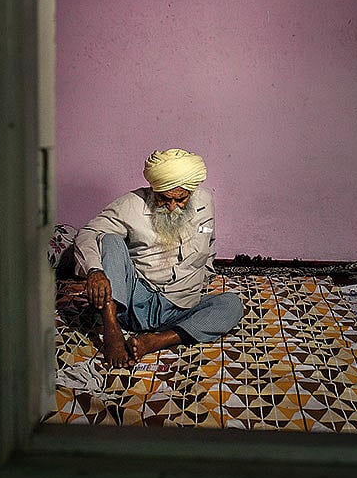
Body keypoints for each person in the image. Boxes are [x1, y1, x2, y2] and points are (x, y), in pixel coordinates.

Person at [73, 149, 243, 368]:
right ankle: (111, 326)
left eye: (180, 199)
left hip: (180, 307)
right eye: (163, 198)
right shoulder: (131, 205)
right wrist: (94, 271)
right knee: (110, 240)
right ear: (154, 189)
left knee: (232, 305)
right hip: (133, 300)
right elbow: (88, 233)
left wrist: (202, 277)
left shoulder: (205, 201)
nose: (172, 207)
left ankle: (157, 341)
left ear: (191, 191)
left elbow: (209, 243)